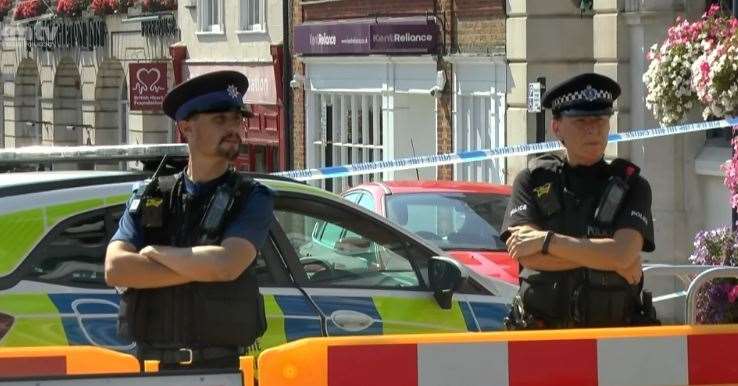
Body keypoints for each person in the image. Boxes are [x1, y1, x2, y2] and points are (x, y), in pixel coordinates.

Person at [105, 70, 274, 369]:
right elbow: (116, 268)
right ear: (186, 127)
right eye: (220, 120)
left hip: (219, 368)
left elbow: (226, 265)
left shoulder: (252, 197)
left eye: (237, 119)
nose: (233, 128)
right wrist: (201, 266)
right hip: (152, 369)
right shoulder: (149, 195)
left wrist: (156, 254)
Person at [501, 72, 659, 329]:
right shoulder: (532, 180)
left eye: (599, 119)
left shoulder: (632, 186)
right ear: (557, 127)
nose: (592, 129)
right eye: (580, 120)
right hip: (542, 337)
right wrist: (608, 258)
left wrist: (546, 241)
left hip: (615, 340)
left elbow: (623, 252)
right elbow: (524, 254)